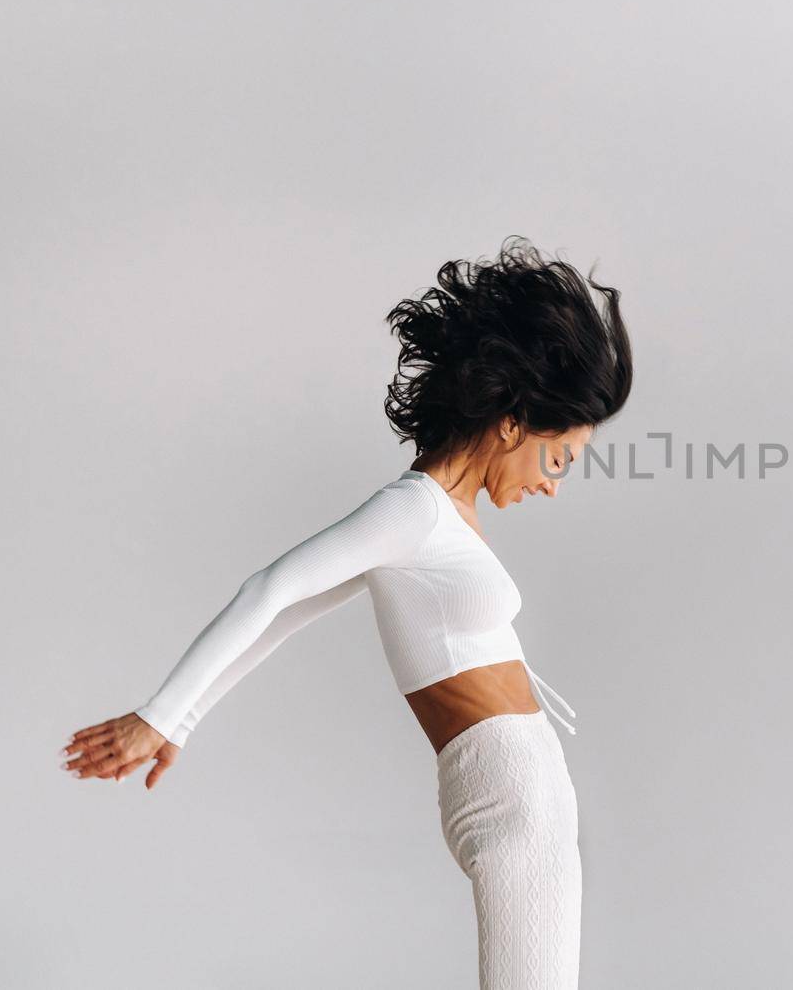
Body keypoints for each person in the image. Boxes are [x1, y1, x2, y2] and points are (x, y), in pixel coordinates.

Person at [61, 236, 633, 989]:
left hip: (519, 796)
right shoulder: (415, 513)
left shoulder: (441, 517)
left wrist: (184, 718)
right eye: (558, 457)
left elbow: (293, 613)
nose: (554, 485)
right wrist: (163, 714)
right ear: (513, 421)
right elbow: (273, 587)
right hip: (511, 800)